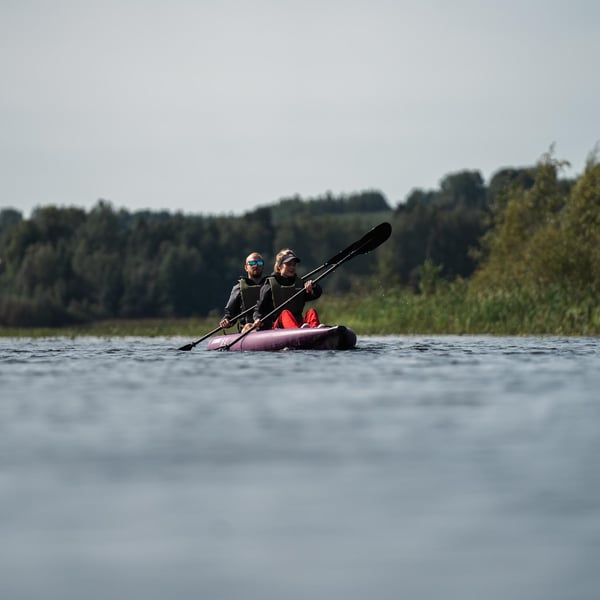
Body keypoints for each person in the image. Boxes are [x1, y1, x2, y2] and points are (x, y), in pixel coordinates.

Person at [252, 249, 322, 330]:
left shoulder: (300, 283)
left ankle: (315, 330)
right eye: (288, 264)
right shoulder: (269, 285)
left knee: (311, 311)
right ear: (279, 266)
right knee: (285, 313)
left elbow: (316, 294)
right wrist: (257, 319)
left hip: (298, 323)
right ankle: (297, 332)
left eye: (294, 265)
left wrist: (314, 287)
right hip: (278, 325)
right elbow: (259, 308)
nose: (292, 267)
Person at [219, 252, 266, 333]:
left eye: (259, 263)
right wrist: (226, 320)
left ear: (263, 267)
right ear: (246, 268)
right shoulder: (238, 288)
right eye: (252, 263)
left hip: (268, 327)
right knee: (249, 327)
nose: (256, 265)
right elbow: (230, 314)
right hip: (247, 328)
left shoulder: (269, 285)